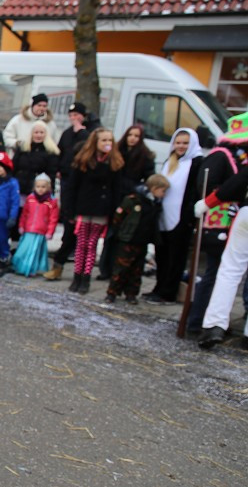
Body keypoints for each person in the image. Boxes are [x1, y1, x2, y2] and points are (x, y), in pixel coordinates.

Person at [186, 120, 248, 336]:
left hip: (241, 216)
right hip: (230, 220)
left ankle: (214, 325)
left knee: (228, 271)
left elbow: (240, 180)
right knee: (221, 270)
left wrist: (209, 202)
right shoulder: (224, 156)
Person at [146, 127, 203, 304]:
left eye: (185, 143)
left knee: (175, 257)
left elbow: (196, 191)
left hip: (181, 218)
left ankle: (168, 292)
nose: (181, 146)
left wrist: (189, 217)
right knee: (161, 255)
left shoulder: (197, 163)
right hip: (163, 216)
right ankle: (159, 287)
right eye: (178, 142)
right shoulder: (168, 162)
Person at [67, 128, 122, 294]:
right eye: (103, 140)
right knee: (81, 243)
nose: (107, 144)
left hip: (101, 210)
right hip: (84, 207)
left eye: (109, 141)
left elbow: (116, 189)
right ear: (95, 142)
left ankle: (86, 278)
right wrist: (70, 210)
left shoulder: (114, 163)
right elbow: (72, 186)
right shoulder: (83, 161)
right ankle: (77, 276)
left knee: (91, 245)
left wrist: (113, 212)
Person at [98, 125, 155, 280]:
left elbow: (149, 178)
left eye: (136, 136)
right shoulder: (117, 152)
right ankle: (105, 269)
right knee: (110, 235)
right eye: (130, 135)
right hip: (115, 197)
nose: (132, 138)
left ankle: (119, 271)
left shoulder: (145, 156)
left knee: (124, 237)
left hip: (131, 199)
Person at [104, 174, 169, 304]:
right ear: (154, 189)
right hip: (128, 240)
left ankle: (131, 293)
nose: (164, 194)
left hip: (142, 241)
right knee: (121, 269)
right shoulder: (133, 200)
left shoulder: (155, 204)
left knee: (136, 271)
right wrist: (120, 233)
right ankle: (112, 293)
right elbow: (118, 217)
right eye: (163, 191)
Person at [46, 101, 93, 281]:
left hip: (84, 196)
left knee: (82, 237)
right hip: (67, 180)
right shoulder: (66, 134)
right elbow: (60, 151)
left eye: (76, 115)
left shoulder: (86, 134)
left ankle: (81, 274)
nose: (74, 118)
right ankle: (59, 265)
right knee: (69, 225)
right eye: (71, 115)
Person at [13, 173, 59, 277]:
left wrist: (50, 232)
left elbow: (53, 218)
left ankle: (30, 270)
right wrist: (21, 225)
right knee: (23, 250)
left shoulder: (51, 201)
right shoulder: (30, 198)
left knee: (34, 253)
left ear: (48, 187)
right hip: (28, 229)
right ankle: (20, 267)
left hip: (41, 231)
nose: (40, 189)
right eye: (38, 186)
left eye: (43, 187)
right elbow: (25, 213)